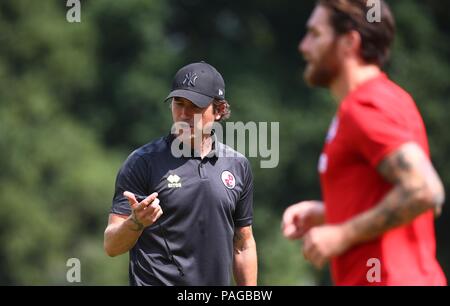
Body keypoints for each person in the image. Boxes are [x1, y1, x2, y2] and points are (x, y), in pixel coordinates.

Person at [282, 0, 446, 285]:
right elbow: (402, 192)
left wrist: (341, 233)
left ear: (349, 42)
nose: (303, 46)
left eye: (315, 34)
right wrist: (329, 213)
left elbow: (425, 191)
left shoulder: (365, 107)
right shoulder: (386, 99)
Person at [104, 61, 257, 286]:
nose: (184, 114)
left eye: (195, 106)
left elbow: (243, 245)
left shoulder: (237, 165)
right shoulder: (142, 162)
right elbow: (111, 246)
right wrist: (135, 222)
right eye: (178, 103)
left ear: (219, 110)